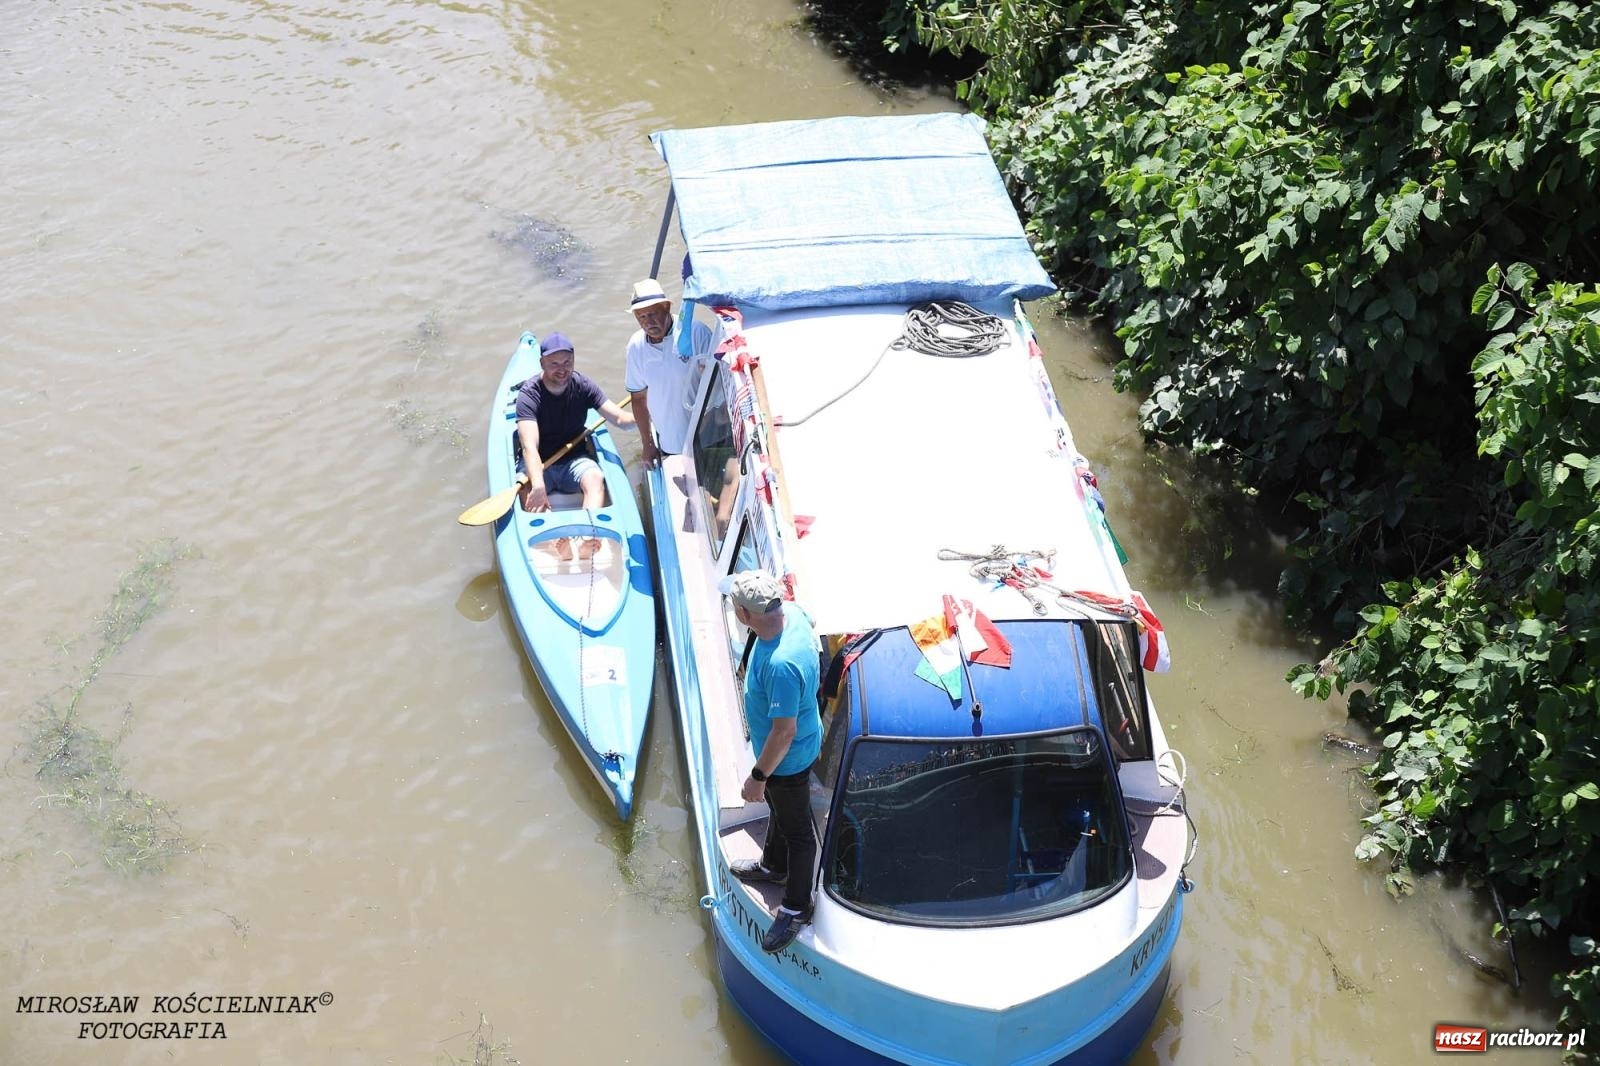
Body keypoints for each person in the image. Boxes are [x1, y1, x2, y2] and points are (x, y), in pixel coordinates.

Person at [719, 570, 823, 954]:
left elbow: (784, 732)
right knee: (782, 812)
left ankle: (796, 906)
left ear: (744, 615)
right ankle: (773, 866)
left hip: (787, 760)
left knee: (799, 832)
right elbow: (810, 620)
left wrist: (758, 776)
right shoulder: (793, 614)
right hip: (796, 746)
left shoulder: (780, 665)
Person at [515, 331, 635, 559]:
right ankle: (555, 541)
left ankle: (588, 538)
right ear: (542, 363)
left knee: (595, 478)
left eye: (567, 362)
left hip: (574, 459)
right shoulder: (529, 395)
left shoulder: (583, 385)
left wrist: (645, 415)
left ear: (573, 361)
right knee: (528, 488)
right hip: (540, 464)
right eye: (554, 364)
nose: (562, 369)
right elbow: (529, 446)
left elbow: (620, 419)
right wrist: (539, 485)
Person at [624, 278, 714, 467]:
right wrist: (647, 444)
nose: (648, 322)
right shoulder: (635, 346)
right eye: (642, 317)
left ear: (666, 307)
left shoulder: (696, 332)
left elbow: (718, 386)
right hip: (670, 443)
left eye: (653, 314)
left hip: (709, 437)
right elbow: (638, 398)